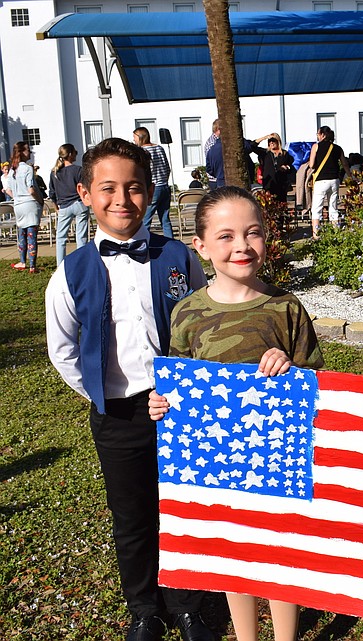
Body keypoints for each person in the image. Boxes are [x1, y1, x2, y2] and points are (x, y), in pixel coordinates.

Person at [45, 137, 213, 641]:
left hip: (178, 408)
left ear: (149, 191)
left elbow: (200, 324)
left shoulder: (180, 258)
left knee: (180, 507)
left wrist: (187, 389)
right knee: (132, 515)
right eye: (109, 189)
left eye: (135, 188)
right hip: (116, 414)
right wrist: (102, 394)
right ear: (85, 193)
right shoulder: (69, 274)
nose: (123, 200)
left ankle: (187, 604)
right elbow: (63, 349)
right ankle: (143, 608)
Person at [148, 186, 324, 641]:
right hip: (218, 463)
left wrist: (289, 371)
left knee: (280, 554)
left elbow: (317, 384)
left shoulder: (286, 307)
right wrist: (161, 405)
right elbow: (176, 383)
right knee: (236, 554)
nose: (242, 246)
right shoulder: (187, 313)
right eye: (225, 236)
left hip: (277, 458)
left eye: (253, 233)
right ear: (201, 247)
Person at [49, 143, 90, 265]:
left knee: (61, 237)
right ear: (71, 154)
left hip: (64, 206)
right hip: (79, 204)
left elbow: (52, 192)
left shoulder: (55, 172)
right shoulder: (78, 170)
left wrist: (56, 206)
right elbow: (85, 188)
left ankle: (60, 265)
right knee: (81, 236)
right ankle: (82, 263)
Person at [308, 126, 351, 239]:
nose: (317, 136)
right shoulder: (337, 148)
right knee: (333, 206)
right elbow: (345, 163)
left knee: (317, 208)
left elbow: (312, 164)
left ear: (323, 135)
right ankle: (335, 233)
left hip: (321, 180)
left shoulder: (316, 146)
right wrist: (350, 175)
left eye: (318, 134)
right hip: (334, 180)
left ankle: (316, 235)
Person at [9, 141, 43, 273]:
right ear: (22, 152)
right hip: (29, 203)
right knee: (31, 235)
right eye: (28, 150)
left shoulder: (13, 170)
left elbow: (9, 189)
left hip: (18, 204)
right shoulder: (28, 169)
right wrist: (40, 200)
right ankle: (32, 265)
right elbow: (31, 189)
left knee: (21, 234)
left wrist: (17, 198)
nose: (30, 152)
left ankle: (22, 261)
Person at [133, 127, 174, 237]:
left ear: (140, 137)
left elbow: (144, 171)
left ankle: (143, 242)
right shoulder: (159, 148)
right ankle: (171, 242)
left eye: (134, 138)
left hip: (153, 187)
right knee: (165, 219)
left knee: (146, 219)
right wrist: (164, 179)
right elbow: (167, 167)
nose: (134, 141)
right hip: (164, 186)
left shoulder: (142, 151)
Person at [252, 133, 295, 201]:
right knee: (270, 205)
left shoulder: (284, 154)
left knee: (281, 206)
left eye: (273, 140)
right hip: (269, 184)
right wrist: (264, 137)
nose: (271, 142)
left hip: (281, 185)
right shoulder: (265, 153)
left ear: (278, 141)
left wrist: (287, 167)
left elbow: (291, 164)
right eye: (270, 141)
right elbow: (252, 146)